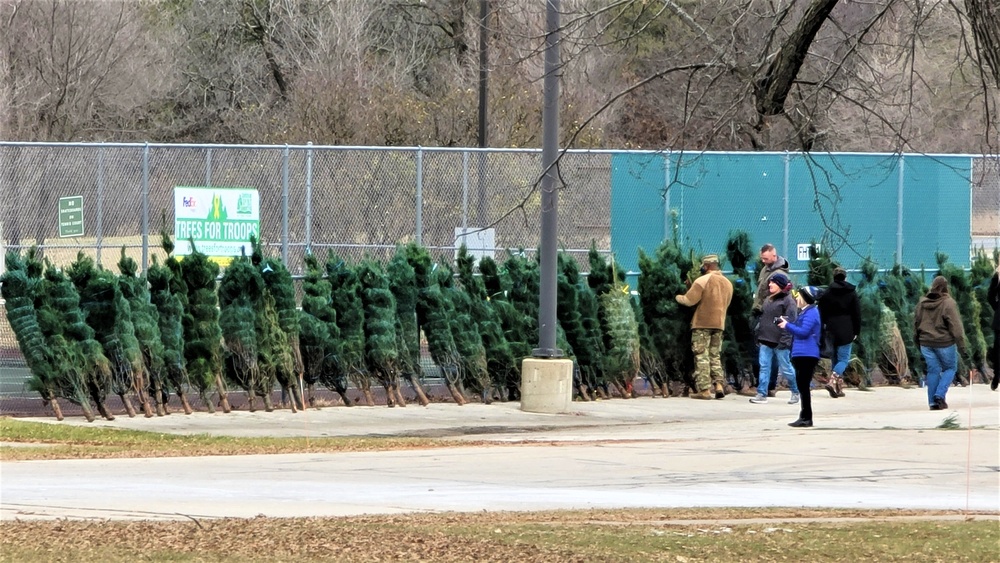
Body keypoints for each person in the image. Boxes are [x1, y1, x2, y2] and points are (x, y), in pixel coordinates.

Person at [676, 254, 735, 399]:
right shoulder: (728, 283)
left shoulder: (702, 280)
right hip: (719, 324)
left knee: (701, 355)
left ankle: (704, 390)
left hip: (702, 324)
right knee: (715, 355)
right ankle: (719, 385)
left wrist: (678, 296)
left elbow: (689, 300)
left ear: (706, 266)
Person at [914, 276, 966, 410]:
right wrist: (963, 347)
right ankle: (939, 395)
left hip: (925, 342)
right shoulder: (948, 303)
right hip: (944, 342)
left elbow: (916, 323)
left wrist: (917, 342)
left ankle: (932, 403)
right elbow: (956, 327)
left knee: (933, 370)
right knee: (950, 368)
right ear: (946, 287)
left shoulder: (921, 303)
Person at [749, 272, 799, 404]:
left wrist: (784, 340)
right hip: (765, 340)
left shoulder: (788, 302)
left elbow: (790, 322)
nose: (769, 284)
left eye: (773, 282)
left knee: (786, 367)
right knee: (764, 367)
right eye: (770, 282)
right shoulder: (768, 299)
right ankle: (761, 393)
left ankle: (795, 391)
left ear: (780, 285)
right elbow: (767, 319)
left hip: (780, 342)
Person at [748, 244, 790, 398]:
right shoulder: (766, 269)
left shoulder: (779, 274)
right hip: (761, 311)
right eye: (762, 258)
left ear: (774, 255)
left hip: (770, 314)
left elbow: (781, 297)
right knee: (765, 350)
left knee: (768, 350)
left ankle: (768, 386)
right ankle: (766, 385)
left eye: (766, 258)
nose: (763, 261)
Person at [778, 285, 822, 428]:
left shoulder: (811, 313)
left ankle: (806, 417)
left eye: (799, 296)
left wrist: (787, 326)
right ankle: (804, 416)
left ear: (805, 298)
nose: (796, 297)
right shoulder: (804, 312)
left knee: (803, 386)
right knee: (802, 385)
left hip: (807, 354)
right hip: (801, 353)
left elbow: (803, 332)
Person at [817, 266, 861, 398]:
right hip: (847, 328)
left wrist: (823, 329)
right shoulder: (851, 293)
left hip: (831, 328)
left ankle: (838, 388)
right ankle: (833, 380)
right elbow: (857, 313)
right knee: (843, 359)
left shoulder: (827, 293)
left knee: (835, 358)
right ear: (845, 277)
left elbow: (821, 312)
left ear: (834, 277)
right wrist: (856, 330)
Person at [987, 264, 999, 391]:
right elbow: (990, 296)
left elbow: (990, 296)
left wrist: (997, 308)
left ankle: (996, 376)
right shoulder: (997, 276)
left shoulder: (997, 276)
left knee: (998, 348)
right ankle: (996, 376)